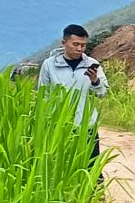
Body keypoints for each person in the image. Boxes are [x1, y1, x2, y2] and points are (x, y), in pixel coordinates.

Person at [37, 23, 106, 156]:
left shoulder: (91, 64)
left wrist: (95, 81)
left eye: (83, 45)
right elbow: (43, 94)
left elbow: (102, 93)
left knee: (91, 166)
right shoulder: (50, 65)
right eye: (76, 44)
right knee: (59, 163)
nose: (80, 49)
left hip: (87, 126)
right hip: (59, 126)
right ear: (64, 42)